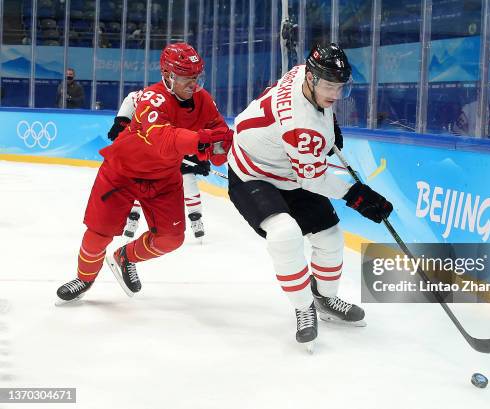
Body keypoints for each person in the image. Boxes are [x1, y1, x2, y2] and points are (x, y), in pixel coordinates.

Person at [227, 43, 393, 350]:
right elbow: (313, 177)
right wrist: (358, 195)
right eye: (329, 86)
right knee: (285, 234)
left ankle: (326, 297)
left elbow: (312, 123)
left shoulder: (301, 73)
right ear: (313, 79)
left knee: (330, 236)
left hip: (287, 168)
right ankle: (304, 307)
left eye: (340, 86)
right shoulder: (301, 126)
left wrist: (329, 129)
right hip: (252, 173)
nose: (334, 94)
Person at [56, 42, 233, 303]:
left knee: (171, 238)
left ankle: (125, 257)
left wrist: (221, 148)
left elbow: (219, 132)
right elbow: (162, 137)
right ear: (168, 75)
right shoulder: (153, 98)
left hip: (163, 178)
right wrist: (199, 142)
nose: (192, 83)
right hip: (122, 173)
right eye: (186, 77)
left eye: (196, 77)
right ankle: (84, 278)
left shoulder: (203, 100)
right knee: (98, 233)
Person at [107, 90, 211, 242]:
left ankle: (195, 218)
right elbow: (131, 98)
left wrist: (198, 157)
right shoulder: (154, 97)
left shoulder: (194, 105)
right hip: (147, 147)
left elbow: (197, 133)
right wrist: (121, 122)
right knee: (139, 181)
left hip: (173, 148)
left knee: (188, 179)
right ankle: (133, 216)